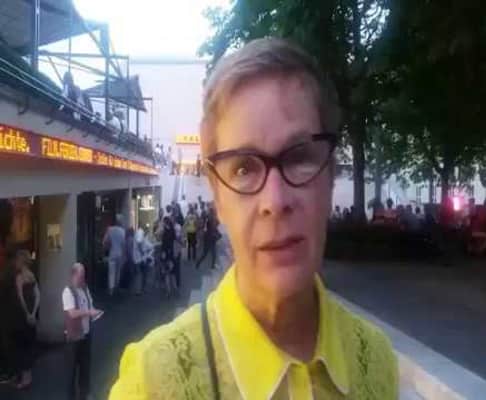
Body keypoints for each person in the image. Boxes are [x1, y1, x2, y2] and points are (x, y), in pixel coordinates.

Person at [111, 38, 397, 399]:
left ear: (330, 175)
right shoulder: (150, 383)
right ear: (217, 196)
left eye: (299, 157)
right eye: (244, 168)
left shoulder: (377, 361)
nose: (274, 201)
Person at [63, 263, 102, 400]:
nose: (83, 279)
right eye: (80, 276)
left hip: (86, 333)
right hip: (74, 336)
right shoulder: (67, 291)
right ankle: (70, 396)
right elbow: (72, 313)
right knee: (71, 369)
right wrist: (88, 312)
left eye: (84, 276)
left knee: (85, 366)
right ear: (73, 275)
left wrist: (94, 312)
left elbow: (90, 304)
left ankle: (85, 393)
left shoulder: (85, 288)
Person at [10, 250, 40, 389]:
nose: (15, 263)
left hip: (22, 316)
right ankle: (28, 377)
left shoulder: (19, 277)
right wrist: (33, 313)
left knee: (21, 345)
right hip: (32, 313)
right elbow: (38, 294)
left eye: (17, 260)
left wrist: (27, 313)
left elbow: (20, 297)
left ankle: (25, 379)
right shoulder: (32, 275)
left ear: (20, 261)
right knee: (29, 344)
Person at [103, 215, 126, 296]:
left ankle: (111, 289)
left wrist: (106, 249)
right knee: (118, 271)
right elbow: (123, 244)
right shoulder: (122, 231)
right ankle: (116, 286)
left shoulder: (110, 229)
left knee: (111, 272)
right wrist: (124, 255)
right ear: (120, 222)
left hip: (112, 253)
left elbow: (105, 241)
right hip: (120, 253)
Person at [161, 217, 177, 297]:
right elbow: (174, 239)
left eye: (163, 222)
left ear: (165, 223)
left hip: (166, 255)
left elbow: (164, 244)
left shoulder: (165, 232)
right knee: (172, 273)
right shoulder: (172, 230)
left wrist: (163, 254)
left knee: (166, 274)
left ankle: (168, 292)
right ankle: (175, 289)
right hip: (171, 254)